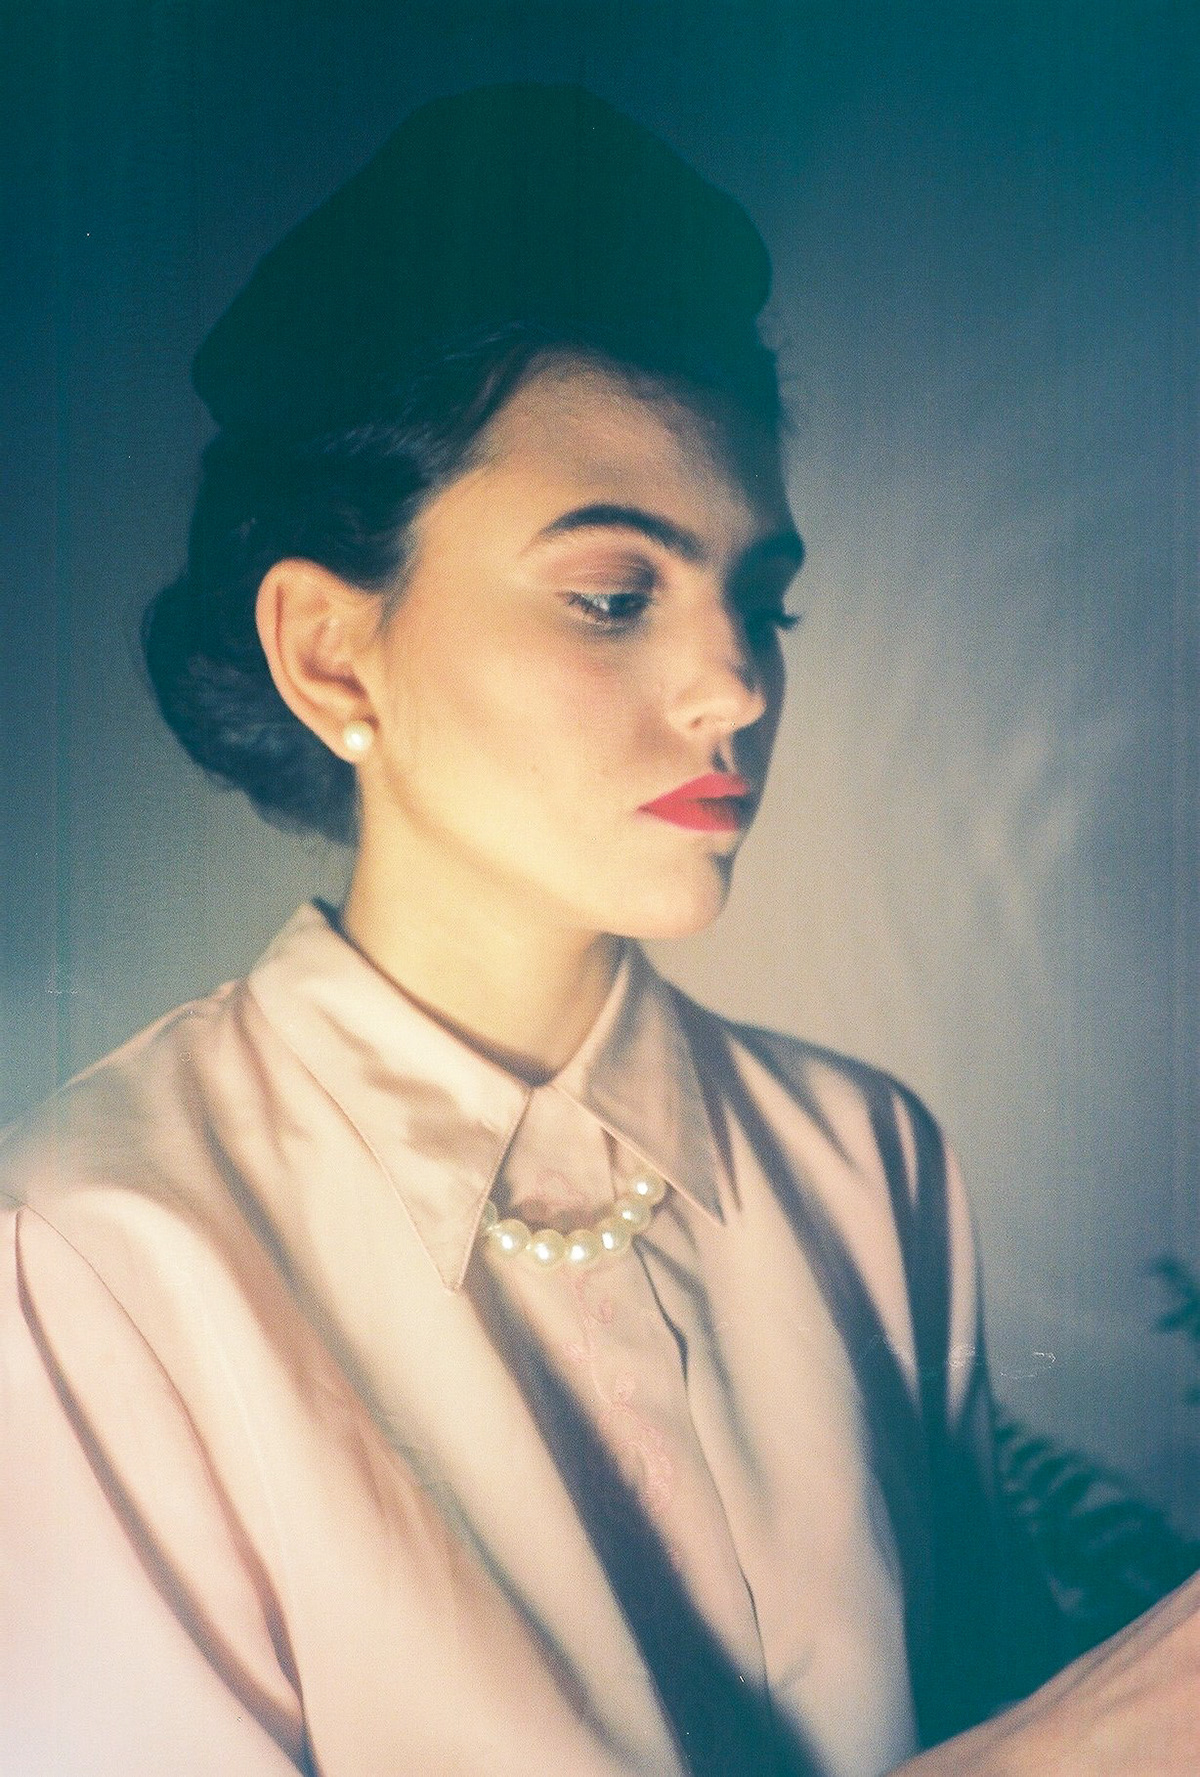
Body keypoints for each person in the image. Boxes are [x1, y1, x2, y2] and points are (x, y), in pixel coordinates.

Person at [1, 82, 1195, 1777]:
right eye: (614, 596)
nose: (736, 684)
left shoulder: (870, 1161)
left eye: (761, 601)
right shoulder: (99, 1255)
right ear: (332, 651)